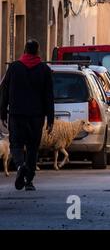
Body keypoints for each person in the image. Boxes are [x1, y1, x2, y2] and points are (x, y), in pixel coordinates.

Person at [0, 39, 54, 191]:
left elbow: (4, 91)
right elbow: (49, 96)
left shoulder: (14, 68)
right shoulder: (44, 70)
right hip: (36, 116)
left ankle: (19, 166)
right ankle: (29, 180)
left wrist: (2, 113)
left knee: (16, 144)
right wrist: (50, 119)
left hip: (17, 114)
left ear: (24, 50)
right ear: (38, 51)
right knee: (32, 147)